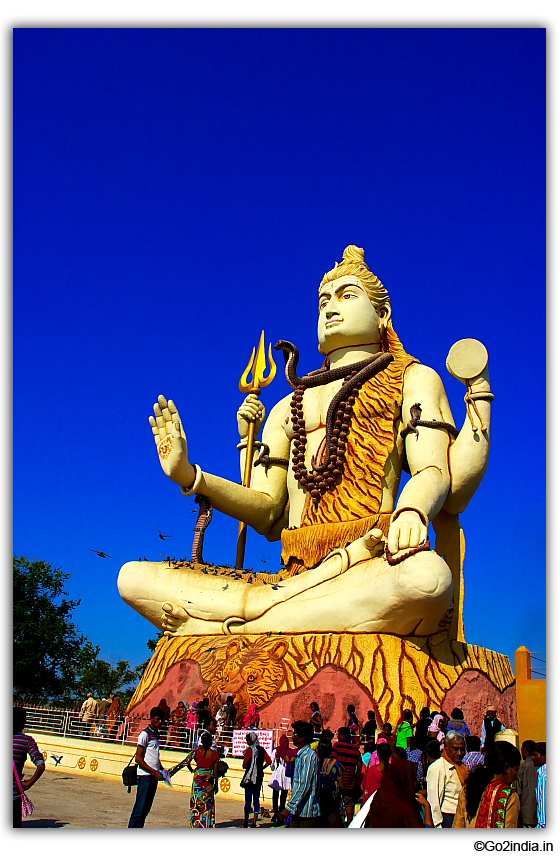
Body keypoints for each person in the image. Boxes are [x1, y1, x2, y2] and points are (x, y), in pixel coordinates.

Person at [122, 246, 493, 640]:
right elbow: (267, 512)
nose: (330, 309)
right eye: (322, 302)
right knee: (132, 577)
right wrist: (190, 475)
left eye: (347, 296)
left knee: (427, 579)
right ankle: (277, 614)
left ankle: (245, 623)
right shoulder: (287, 406)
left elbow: (435, 473)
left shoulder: (413, 378)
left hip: (369, 561)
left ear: (383, 315)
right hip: (292, 574)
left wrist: (413, 511)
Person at [453, 741, 521, 828]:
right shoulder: (509, 796)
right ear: (506, 767)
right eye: (516, 770)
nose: (516, 776)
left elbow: (458, 825)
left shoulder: (468, 788)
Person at [128, 707, 166, 828]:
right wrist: (153, 771)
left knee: (145, 810)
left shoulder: (156, 734)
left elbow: (153, 755)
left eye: (161, 720)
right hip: (145, 776)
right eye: (157, 719)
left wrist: (161, 768)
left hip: (153, 776)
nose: (159, 722)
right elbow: (138, 758)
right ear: (151, 719)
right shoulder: (144, 734)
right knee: (140, 809)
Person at [366, 751, 424, 828]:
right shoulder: (406, 809)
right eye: (412, 780)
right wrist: (427, 806)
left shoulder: (380, 795)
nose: (414, 783)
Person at [279, 721, 321, 828]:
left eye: (295, 735)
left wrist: (288, 808)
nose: (293, 737)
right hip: (297, 810)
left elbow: (304, 785)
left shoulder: (309, 756)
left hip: (308, 812)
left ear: (303, 737)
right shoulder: (300, 755)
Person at [426, 730, 468, 828]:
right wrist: (438, 825)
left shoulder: (462, 767)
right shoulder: (438, 768)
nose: (460, 753)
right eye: (455, 749)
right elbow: (434, 800)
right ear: (446, 747)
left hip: (462, 817)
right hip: (448, 818)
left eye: (462, 749)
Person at [13, 706, 45, 828]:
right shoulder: (27, 741)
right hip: (14, 795)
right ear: (23, 722)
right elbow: (41, 766)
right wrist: (29, 783)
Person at [184, 731, 220, 827]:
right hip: (209, 781)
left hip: (198, 779)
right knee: (208, 804)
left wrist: (192, 770)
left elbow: (186, 762)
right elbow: (216, 771)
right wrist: (216, 784)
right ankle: (207, 824)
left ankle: (196, 824)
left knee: (196, 802)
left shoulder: (196, 752)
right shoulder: (215, 754)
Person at [332, 725, 363, 825]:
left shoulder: (337, 746)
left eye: (338, 735)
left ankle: (337, 824)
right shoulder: (355, 750)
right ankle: (350, 824)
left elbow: (333, 762)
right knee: (349, 804)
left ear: (342, 735)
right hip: (350, 782)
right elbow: (359, 766)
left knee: (335, 804)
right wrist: (357, 779)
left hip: (337, 782)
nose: (337, 737)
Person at [241, 731, 271, 827]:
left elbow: (245, 765)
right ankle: (254, 822)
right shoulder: (262, 750)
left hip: (250, 778)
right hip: (259, 777)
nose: (247, 742)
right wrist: (261, 768)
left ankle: (246, 822)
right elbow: (269, 761)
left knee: (248, 800)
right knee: (256, 799)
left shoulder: (249, 751)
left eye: (248, 740)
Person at [269, 733, 296, 826]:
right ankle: (281, 811)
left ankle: (275, 812)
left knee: (275, 793)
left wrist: (273, 769)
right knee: (284, 794)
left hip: (278, 771)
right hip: (286, 773)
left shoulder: (276, 750)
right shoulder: (290, 751)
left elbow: (272, 762)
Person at [317, 737, 344, 827]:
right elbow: (342, 786)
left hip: (316, 802)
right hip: (331, 802)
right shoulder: (335, 764)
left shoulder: (314, 762)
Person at [515, 739, 538, 827]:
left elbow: (518, 790)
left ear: (525, 751)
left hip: (526, 810)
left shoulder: (522, 768)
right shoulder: (541, 766)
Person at [532, 742, 546, 828]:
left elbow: (543, 804)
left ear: (544, 756)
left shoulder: (544, 775)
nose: (533, 758)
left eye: (535, 755)